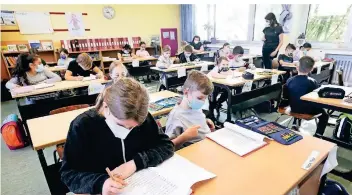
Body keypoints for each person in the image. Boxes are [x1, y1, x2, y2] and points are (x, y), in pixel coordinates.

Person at [60, 78, 174, 194]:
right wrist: (101, 183)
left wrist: (135, 163)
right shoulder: (82, 126)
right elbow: (69, 174)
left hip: (140, 184)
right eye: (121, 124)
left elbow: (166, 145)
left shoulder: (138, 116)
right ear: (106, 107)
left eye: (134, 127)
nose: (128, 130)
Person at [165, 70, 215, 150]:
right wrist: (184, 137)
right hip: (194, 152)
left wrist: (205, 121)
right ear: (186, 92)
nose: (202, 102)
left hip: (207, 146)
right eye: (199, 98)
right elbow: (167, 148)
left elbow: (192, 119)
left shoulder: (194, 106)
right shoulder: (176, 117)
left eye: (205, 98)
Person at [284, 56, 328, 136]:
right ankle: (318, 135)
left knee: (296, 99)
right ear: (311, 69)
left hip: (293, 108)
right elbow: (316, 98)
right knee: (325, 116)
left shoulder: (289, 80)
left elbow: (287, 96)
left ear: (297, 67)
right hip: (309, 110)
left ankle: (294, 124)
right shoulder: (313, 82)